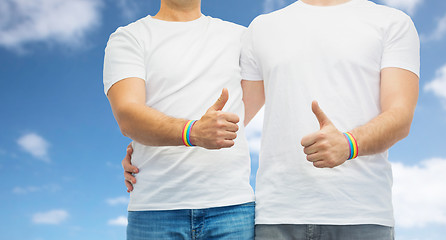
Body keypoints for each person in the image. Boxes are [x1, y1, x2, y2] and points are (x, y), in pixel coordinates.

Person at [126, 0, 420, 239]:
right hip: (276, 216)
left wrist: (349, 143)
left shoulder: (392, 23)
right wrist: (143, 148)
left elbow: (400, 116)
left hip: (362, 215)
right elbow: (232, 117)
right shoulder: (262, 28)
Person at [103, 0, 255, 239]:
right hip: (155, 210)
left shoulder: (241, 38)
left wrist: (151, 133)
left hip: (232, 206)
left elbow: (251, 103)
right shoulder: (129, 38)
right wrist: (192, 132)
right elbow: (127, 115)